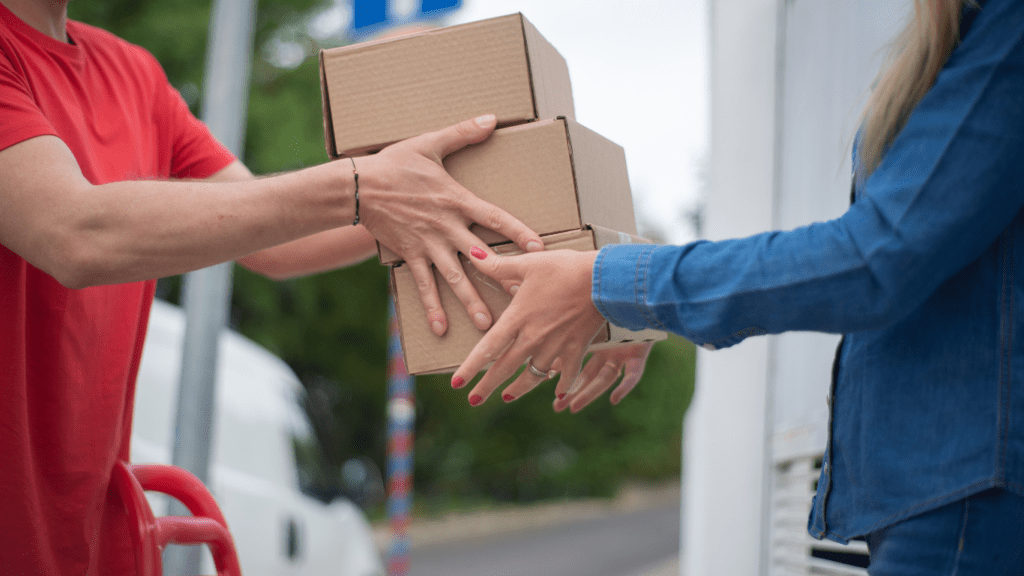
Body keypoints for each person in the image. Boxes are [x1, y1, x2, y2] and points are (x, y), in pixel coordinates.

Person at [453, 0, 1024, 573]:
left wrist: (608, 285)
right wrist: (621, 302)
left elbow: (872, 260)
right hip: (939, 497)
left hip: (964, 502)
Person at [0, 0, 552, 573]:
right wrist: (367, 186)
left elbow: (276, 241)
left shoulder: (131, 72)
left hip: (80, 540)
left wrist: (449, 189)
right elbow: (72, 232)